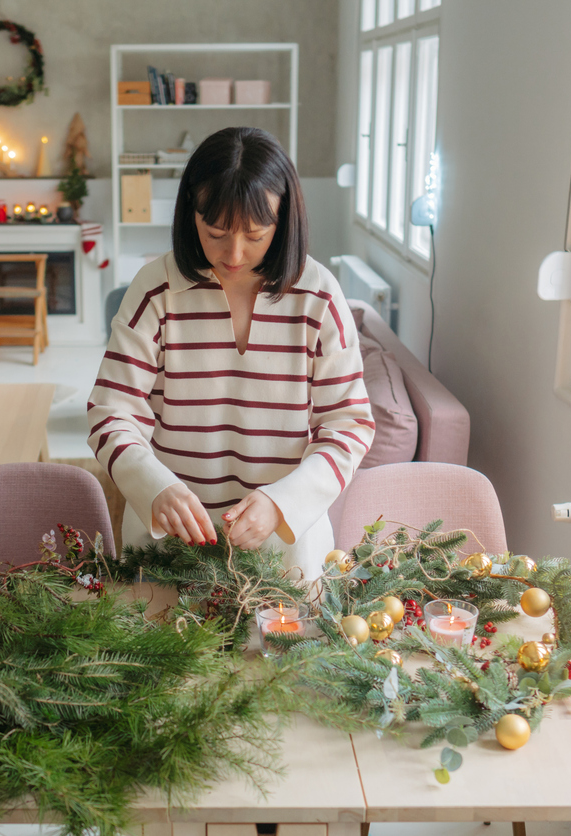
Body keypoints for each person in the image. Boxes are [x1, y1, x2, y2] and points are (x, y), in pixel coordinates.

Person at [87, 127, 374, 580]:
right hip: (168, 546)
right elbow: (110, 413)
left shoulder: (318, 296)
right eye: (215, 232)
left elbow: (348, 426)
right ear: (190, 215)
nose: (234, 254)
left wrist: (283, 502)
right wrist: (155, 487)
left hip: (285, 550)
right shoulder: (155, 290)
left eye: (255, 235)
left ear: (283, 223)